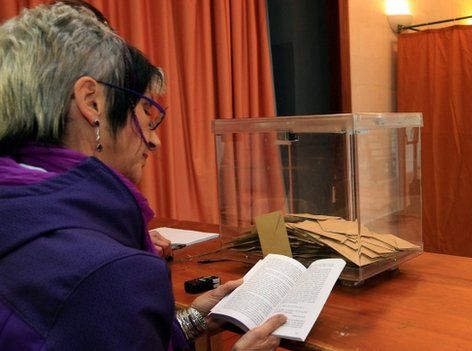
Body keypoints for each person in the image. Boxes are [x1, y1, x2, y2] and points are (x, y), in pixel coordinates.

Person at [0, 3, 286, 350]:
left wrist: (191, 321)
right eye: (144, 112)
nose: (154, 138)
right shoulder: (109, 274)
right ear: (92, 103)